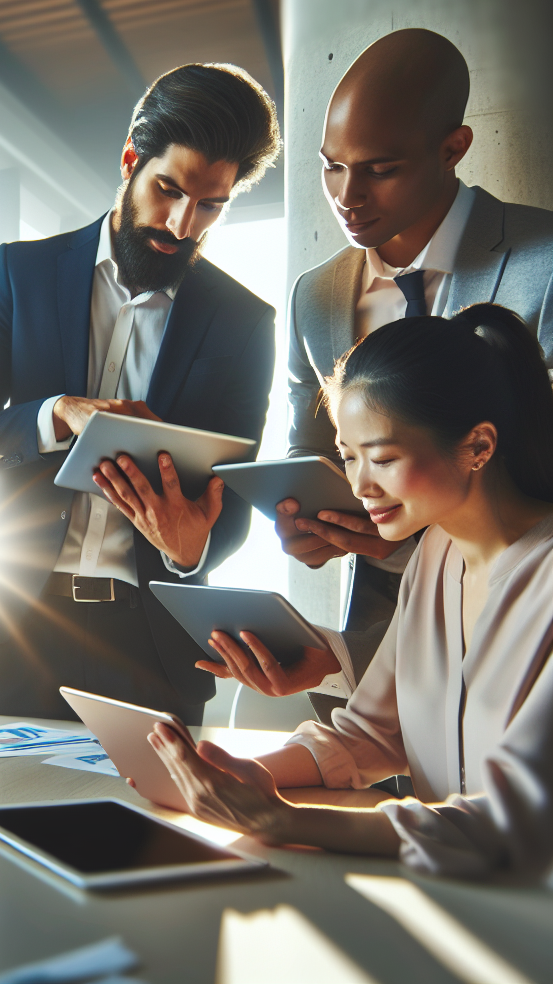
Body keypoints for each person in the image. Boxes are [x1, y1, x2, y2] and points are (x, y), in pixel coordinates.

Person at [149, 304, 553, 879]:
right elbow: (370, 732)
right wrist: (246, 774)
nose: (360, 485)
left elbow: (514, 824)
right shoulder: (436, 557)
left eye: (383, 458)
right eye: (348, 457)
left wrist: (281, 820)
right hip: (457, 894)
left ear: (479, 447)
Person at [0, 63, 280, 724]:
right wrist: (50, 415)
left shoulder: (243, 323)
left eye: (211, 205)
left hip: (157, 642)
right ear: (129, 161)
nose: (183, 224)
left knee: (155, 831)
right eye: (168, 189)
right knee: (4, 824)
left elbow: (229, 498)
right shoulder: (22, 274)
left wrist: (189, 548)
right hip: (26, 628)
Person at [252, 28, 553, 717]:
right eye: (331, 167)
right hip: (380, 658)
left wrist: (415, 522)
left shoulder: (546, 262)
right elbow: (314, 447)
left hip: (528, 633)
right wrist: (308, 520)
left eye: (379, 168)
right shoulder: (319, 295)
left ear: (453, 150)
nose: (346, 196)